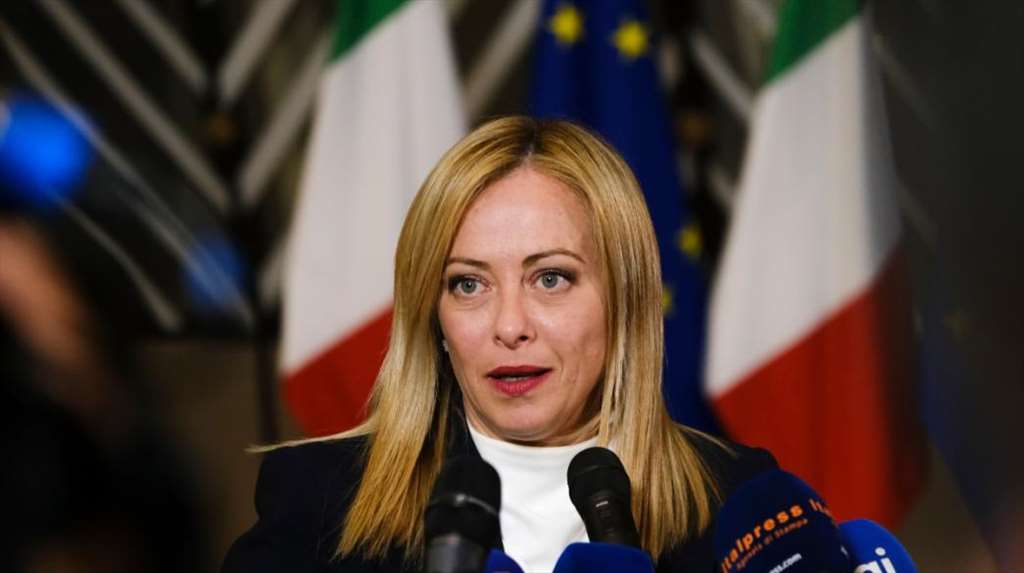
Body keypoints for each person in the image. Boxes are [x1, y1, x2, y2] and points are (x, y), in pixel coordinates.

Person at [223, 117, 776, 573]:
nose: (510, 326)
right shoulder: (319, 499)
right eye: (469, 284)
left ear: (624, 300)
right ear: (434, 318)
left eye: (551, 278)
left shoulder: (739, 501)